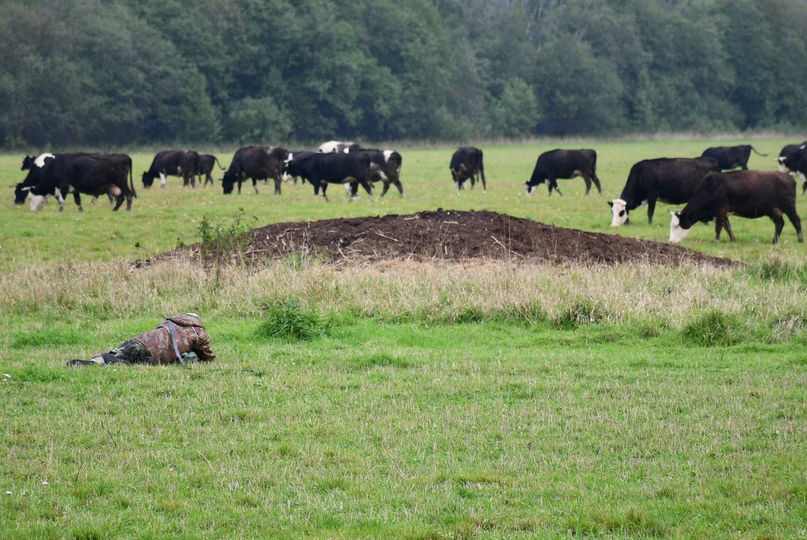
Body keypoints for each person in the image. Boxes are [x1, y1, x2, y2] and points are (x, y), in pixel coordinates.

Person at [67, 313, 216, 367]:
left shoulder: (168, 323)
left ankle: (96, 361)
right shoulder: (199, 332)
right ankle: (110, 363)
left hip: (139, 341)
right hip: (154, 355)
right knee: (128, 364)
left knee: (118, 352)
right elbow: (207, 356)